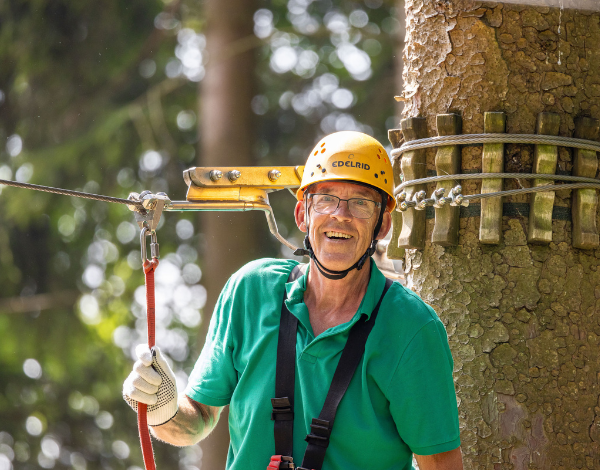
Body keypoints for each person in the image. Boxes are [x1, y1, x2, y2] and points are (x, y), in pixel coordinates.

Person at [123, 131, 463, 470]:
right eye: (326, 199)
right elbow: (196, 421)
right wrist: (162, 408)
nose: (340, 215)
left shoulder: (410, 329)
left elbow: (441, 464)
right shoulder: (251, 293)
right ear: (303, 214)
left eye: (361, 203)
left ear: (383, 224)